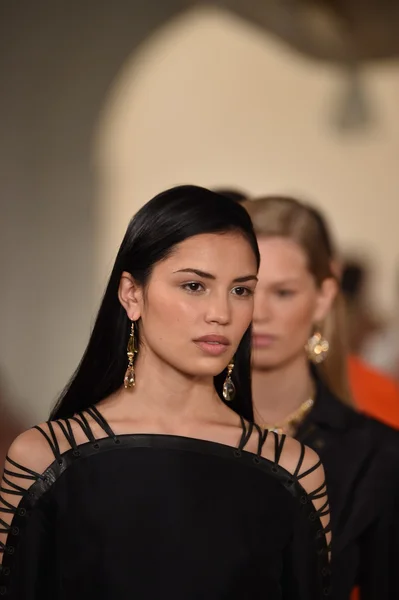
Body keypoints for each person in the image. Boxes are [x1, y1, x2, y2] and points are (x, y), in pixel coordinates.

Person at [0, 186, 331, 599]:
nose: (221, 313)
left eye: (241, 290)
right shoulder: (43, 458)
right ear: (131, 294)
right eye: (194, 286)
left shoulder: (294, 470)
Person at [244, 194, 399, 600]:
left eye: (283, 293)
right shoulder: (177, 431)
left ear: (323, 297)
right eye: (244, 290)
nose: (258, 312)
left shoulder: (376, 456)